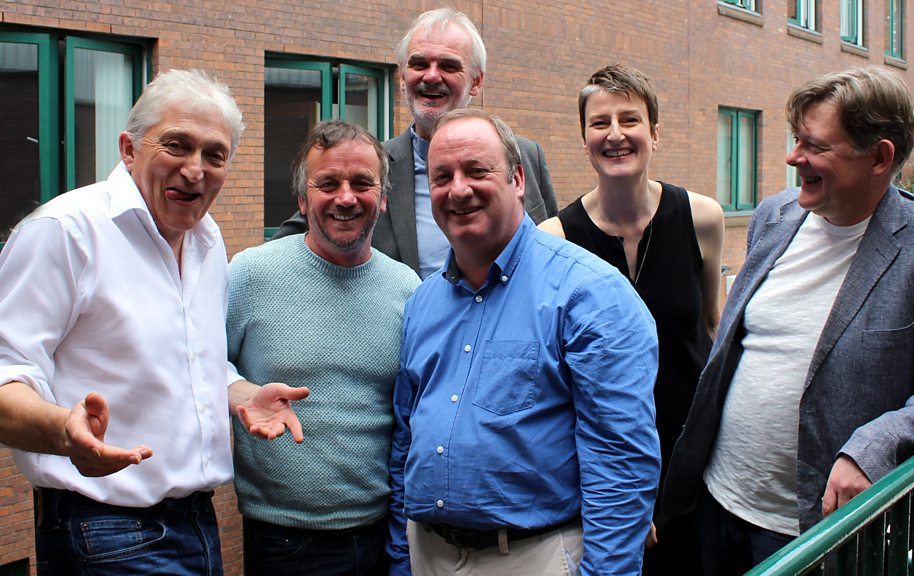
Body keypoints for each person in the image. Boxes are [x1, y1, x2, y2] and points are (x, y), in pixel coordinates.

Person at [662, 66, 914, 574]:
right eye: (796, 138)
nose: (793, 156)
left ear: (879, 157)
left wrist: (878, 443)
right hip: (717, 503)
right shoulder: (774, 216)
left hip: (818, 532)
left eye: (815, 145)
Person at [0, 68, 307, 575]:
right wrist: (63, 432)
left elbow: (189, 362)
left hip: (197, 521)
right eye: (176, 146)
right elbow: (6, 373)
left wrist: (240, 394)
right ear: (128, 149)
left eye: (214, 155)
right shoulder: (66, 232)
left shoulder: (208, 241)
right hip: (102, 527)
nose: (195, 169)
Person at [387, 109, 661, 575]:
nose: (458, 190)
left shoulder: (589, 293)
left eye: (477, 171)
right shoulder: (422, 302)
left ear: (517, 179)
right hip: (427, 554)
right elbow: (405, 440)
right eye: (442, 177)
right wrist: (401, 558)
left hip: (535, 556)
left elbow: (620, 464)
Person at [539, 63, 724, 575]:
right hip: (605, 471)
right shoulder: (555, 239)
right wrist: (620, 495)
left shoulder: (702, 218)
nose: (615, 134)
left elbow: (711, 330)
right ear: (584, 140)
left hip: (696, 466)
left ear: (654, 134)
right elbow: (558, 382)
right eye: (600, 123)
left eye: (630, 119)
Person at [227, 120, 420, 576]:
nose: (346, 198)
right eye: (328, 184)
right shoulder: (251, 275)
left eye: (362, 183)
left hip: (385, 537)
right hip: (283, 541)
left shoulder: (407, 288)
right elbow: (199, 365)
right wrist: (239, 393)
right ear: (302, 199)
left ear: (383, 198)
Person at [271, 7, 558, 279]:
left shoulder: (525, 156)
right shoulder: (371, 169)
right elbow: (288, 242)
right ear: (402, 75)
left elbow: (553, 250)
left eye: (448, 65)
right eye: (419, 64)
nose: (431, 76)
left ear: (476, 81)